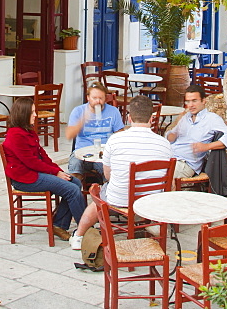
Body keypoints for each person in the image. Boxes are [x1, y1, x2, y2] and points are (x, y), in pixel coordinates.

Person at [69, 95, 173, 250]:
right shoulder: (165, 144)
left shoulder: (115, 140)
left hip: (121, 199)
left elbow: (108, 175)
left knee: (99, 193)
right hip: (151, 202)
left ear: (129, 118)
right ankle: (149, 224)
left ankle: (78, 236)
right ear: (151, 118)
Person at [2, 97, 86, 242]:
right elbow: (32, 162)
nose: (36, 115)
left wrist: (59, 171)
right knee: (71, 190)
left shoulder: (28, 131)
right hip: (25, 178)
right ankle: (86, 229)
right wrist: (55, 173)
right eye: (32, 112)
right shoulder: (16, 135)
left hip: (35, 173)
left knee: (75, 183)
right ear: (23, 114)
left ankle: (58, 225)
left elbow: (43, 156)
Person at [166, 84, 227, 179]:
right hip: (168, 156)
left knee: (157, 175)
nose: (191, 105)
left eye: (194, 101)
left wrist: (206, 146)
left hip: (185, 163)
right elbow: (171, 138)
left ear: (203, 101)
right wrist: (173, 134)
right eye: (188, 101)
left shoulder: (212, 118)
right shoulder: (186, 117)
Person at [65, 82, 125, 177]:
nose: (98, 101)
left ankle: (104, 190)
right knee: (75, 166)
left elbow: (120, 134)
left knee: (109, 172)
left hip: (104, 152)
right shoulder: (78, 111)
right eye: (94, 98)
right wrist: (82, 121)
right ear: (88, 97)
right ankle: (76, 190)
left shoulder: (113, 111)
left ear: (105, 98)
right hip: (82, 151)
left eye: (101, 98)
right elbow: (69, 135)